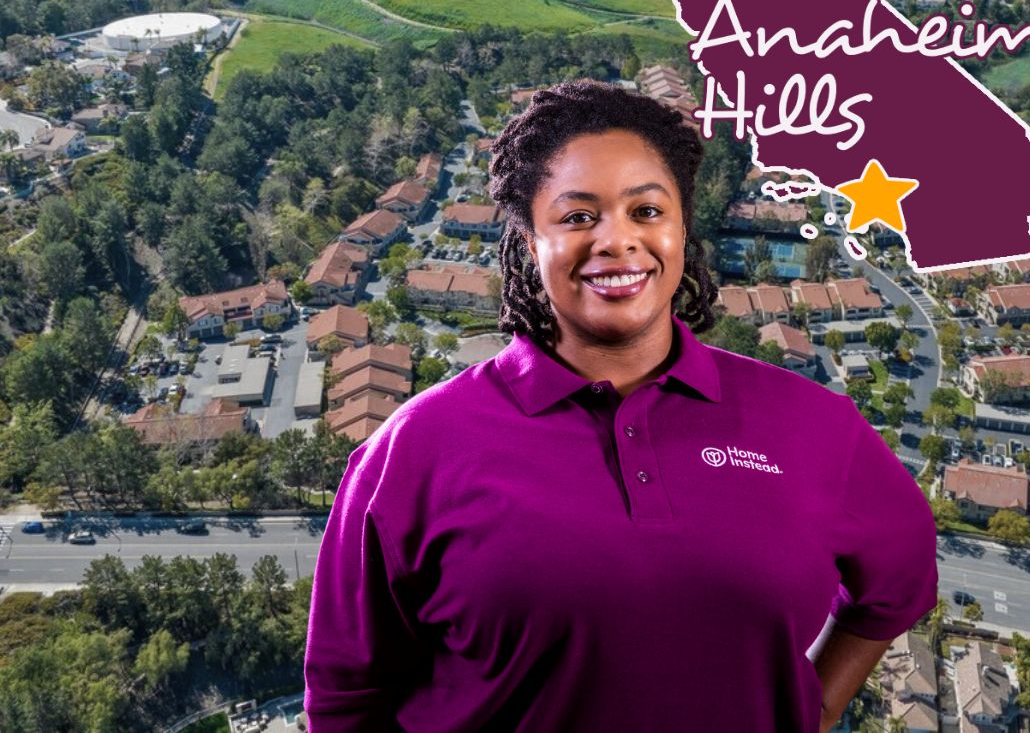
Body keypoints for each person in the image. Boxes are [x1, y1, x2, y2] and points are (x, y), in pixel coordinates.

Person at [304, 79, 937, 732]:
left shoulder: (811, 426)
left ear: (682, 228)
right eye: (579, 216)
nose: (616, 240)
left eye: (646, 211)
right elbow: (348, 696)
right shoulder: (415, 450)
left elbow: (901, 574)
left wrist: (813, 707)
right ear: (529, 243)